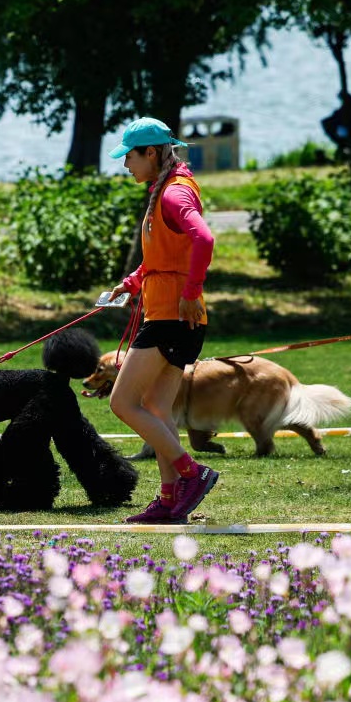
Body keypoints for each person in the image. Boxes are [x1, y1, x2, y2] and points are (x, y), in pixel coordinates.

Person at [106, 117, 219, 524]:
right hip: (171, 313)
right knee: (156, 406)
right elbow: (168, 255)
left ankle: (192, 473)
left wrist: (189, 293)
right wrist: (134, 281)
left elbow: (203, 240)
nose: (126, 165)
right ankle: (170, 501)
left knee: (123, 402)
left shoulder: (173, 193)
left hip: (173, 316)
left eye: (130, 157)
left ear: (151, 153)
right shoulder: (166, 187)